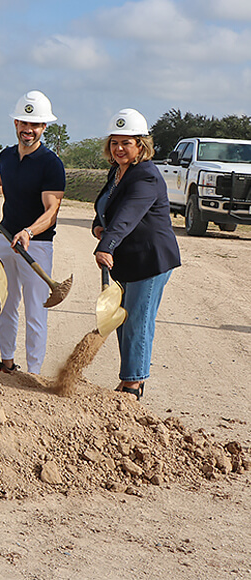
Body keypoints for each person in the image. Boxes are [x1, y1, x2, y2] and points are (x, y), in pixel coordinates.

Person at [93, 108, 180, 400]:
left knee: (137, 322)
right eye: (115, 142)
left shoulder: (147, 176)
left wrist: (106, 245)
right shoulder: (118, 171)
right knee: (122, 319)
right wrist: (98, 225)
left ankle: (133, 385)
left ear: (141, 145)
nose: (119, 148)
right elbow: (108, 206)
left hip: (150, 260)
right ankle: (129, 376)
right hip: (128, 260)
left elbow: (128, 215)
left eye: (126, 143)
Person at [0, 91, 66, 374]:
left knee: (35, 311)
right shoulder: (6, 156)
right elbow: (4, 180)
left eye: (35, 125)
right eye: (24, 123)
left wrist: (28, 231)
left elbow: (51, 210)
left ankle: (33, 374)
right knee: (6, 303)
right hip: (5, 239)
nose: (28, 130)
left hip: (36, 246)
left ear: (43, 128)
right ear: (16, 123)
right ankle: (6, 364)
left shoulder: (51, 164)